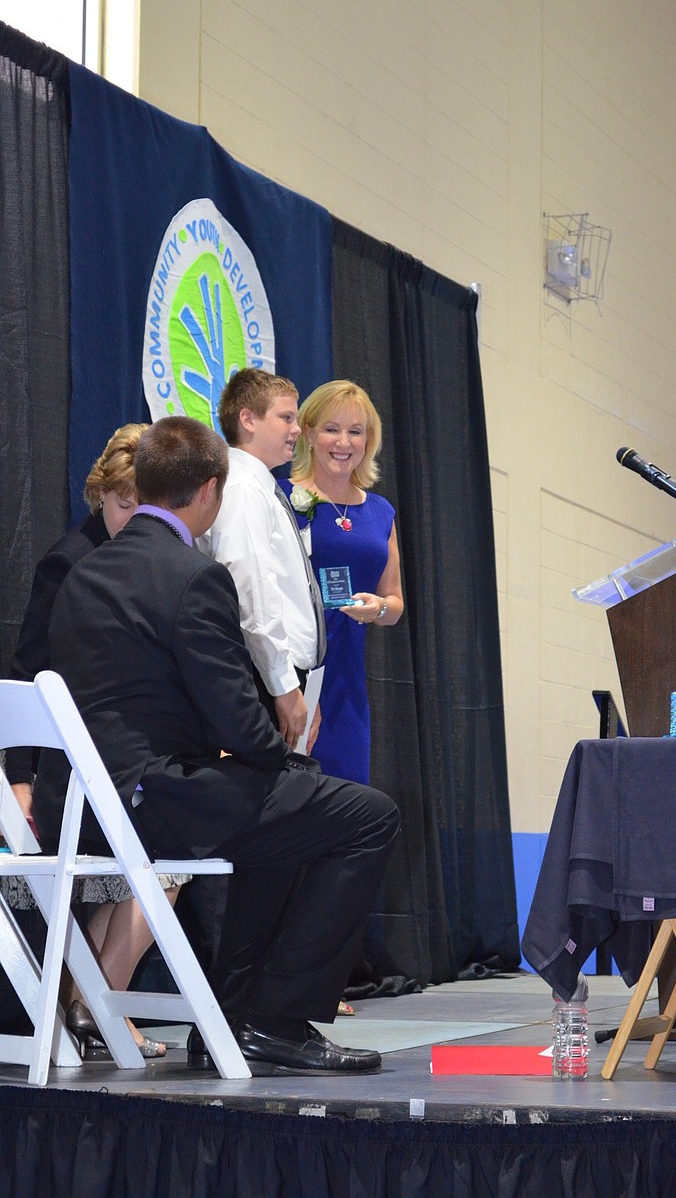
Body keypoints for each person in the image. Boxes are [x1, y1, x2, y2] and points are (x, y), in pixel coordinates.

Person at [33, 416, 399, 1074]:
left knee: (285, 801)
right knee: (364, 813)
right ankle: (275, 1019)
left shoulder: (82, 571)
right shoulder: (194, 575)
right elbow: (240, 723)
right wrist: (280, 752)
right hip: (149, 802)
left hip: (76, 808)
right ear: (209, 491)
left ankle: (235, 1016)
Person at [6, 423, 175, 1060]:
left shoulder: (155, 562)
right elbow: (27, 671)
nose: (133, 517)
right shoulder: (69, 561)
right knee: (163, 860)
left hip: (112, 764)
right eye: (122, 502)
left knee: (142, 867)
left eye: (145, 505)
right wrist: (18, 777)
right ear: (98, 494)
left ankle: (92, 1005)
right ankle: (100, 1008)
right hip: (69, 773)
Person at [196, 369, 324, 752]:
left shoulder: (259, 487)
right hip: (261, 680)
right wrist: (284, 686)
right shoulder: (242, 489)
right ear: (248, 419)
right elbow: (249, 589)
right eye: (286, 418)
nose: (297, 429)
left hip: (276, 677)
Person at [286, 380, 403, 785]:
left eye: (356, 431)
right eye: (332, 428)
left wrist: (378, 608)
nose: (344, 441)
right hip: (290, 675)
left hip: (347, 682)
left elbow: (396, 604)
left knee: (347, 802)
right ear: (310, 432)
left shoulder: (381, 511)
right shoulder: (282, 497)